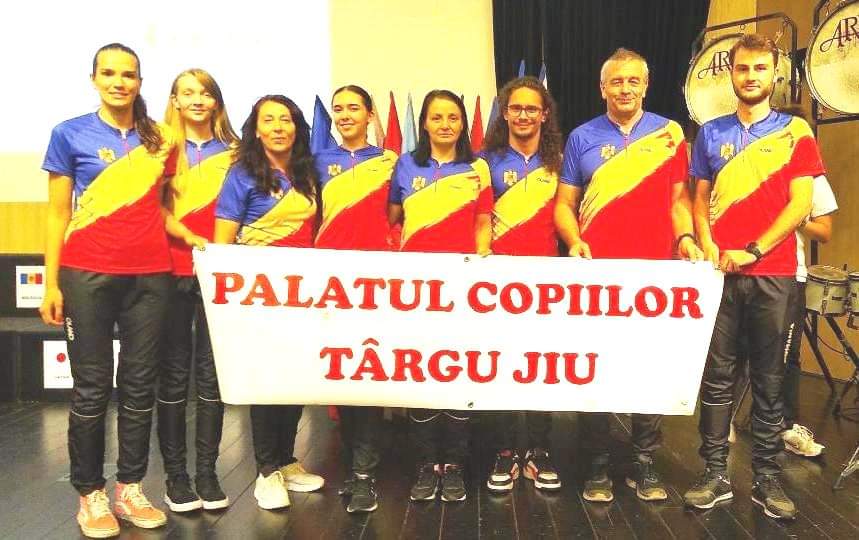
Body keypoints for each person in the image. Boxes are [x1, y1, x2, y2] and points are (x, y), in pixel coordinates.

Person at [683, 34, 823, 520]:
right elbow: (699, 198)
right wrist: (707, 243)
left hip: (773, 272)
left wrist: (755, 249)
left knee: (768, 380)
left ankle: (766, 478)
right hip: (719, 273)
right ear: (731, 73)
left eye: (760, 68)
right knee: (717, 377)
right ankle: (714, 474)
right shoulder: (709, 132)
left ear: (774, 73)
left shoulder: (796, 131)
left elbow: (802, 203)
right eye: (742, 68)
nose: (750, 76)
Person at [40, 43, 175, 538]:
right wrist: (50, 281)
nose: (120, 82)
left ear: (140, 82)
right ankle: (90, 493)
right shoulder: (69, 133)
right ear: (94, 78)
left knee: (139, 386)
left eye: (129, 74)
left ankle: (130, 488)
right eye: (110, 73)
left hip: (150, 275)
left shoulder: (160, 138)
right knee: (92, 388)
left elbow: (162, 207)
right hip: (87, 273)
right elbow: (58, 212)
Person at [555, 48, 701, 504]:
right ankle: (596, 463)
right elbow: (564, 204)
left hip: (655, 274)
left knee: (649, 367)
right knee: (593, 367)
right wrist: (573, 240)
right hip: (597, 276)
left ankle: (644, 460)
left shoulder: (669, 133)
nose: (625, 89)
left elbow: (679, 201)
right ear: (603, 88)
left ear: (646, 85)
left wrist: (685, 238)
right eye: (616, 81)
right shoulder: (581, 137)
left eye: (633, 81)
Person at [213, 95, 324, 510]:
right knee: (267, 379)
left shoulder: (307, 173)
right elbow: (223, 243)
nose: (279, 127)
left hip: (302, 294)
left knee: (294, 377)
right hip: (258, 296)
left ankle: (286, 459)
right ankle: (266, 471)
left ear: (297, 128)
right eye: (269, 120)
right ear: (256, 130)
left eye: (286, 119)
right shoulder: (242, 173)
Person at [388, 89, 492, 502]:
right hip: (416, 290)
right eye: (437, 117)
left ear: (462, 123)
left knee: (457, 372)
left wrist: (479, 261)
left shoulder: (478, 167)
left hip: (462, 289)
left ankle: (455, 465)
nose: (445, 124)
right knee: (421, 373)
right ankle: (426, 464)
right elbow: (392, 219)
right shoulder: (405, 164)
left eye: (453, 117)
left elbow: (483, 222)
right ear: (424, 123)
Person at [157, 68, 239, 513]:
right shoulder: (157, 149)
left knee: (211, 377)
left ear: (217, 102)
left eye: (205, 93)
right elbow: (151, 210)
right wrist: (187, 237)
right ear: (174, 99)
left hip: (219, 274)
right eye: (187, 93)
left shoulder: (237, 152)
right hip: (169, 271)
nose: (197, 100)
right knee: (173, 377)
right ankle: (176, 477)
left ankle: (207, 473)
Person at [314, 85, 397, 513]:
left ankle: (365, 472)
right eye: (338, 109)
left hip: (374, 283)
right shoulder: (315, 161)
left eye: (353, 108)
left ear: (370, 115)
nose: (345, 115)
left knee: (368, 370)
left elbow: (398, 216)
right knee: (340, 373)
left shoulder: (390, 162)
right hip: (329, 283)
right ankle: (353, 463)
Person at [480, 76, 563, 493]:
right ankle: (504, 450)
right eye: (516, 108)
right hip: (497, 284)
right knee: (500, 366)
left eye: (532, 108)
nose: (524, 115)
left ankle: (539, 450)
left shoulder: (559, 162)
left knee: (541, 366)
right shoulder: (485, 161)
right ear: (505, 113)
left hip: (547, 283)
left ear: (544, 114)